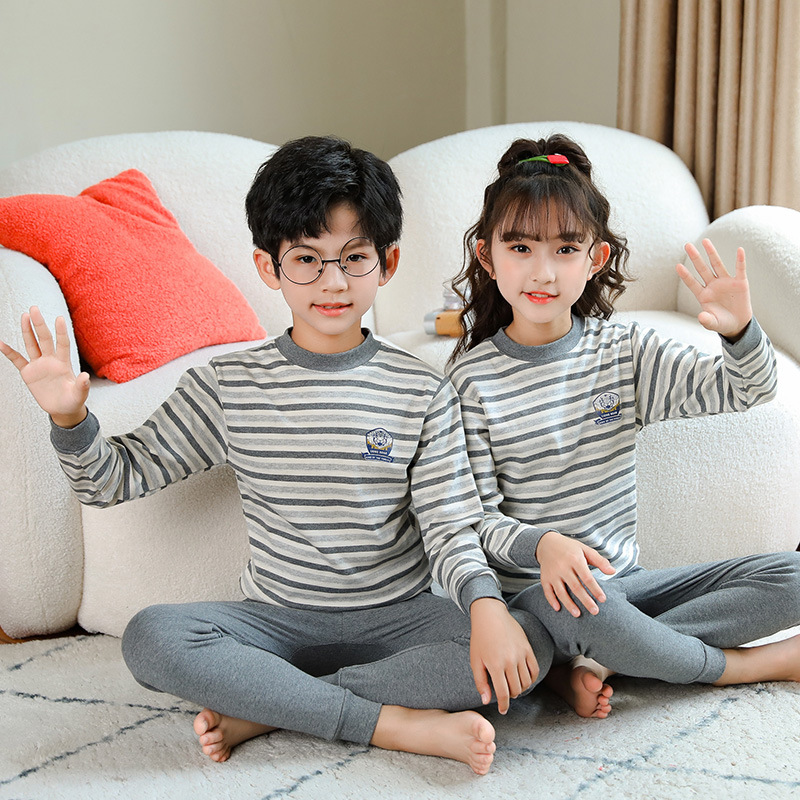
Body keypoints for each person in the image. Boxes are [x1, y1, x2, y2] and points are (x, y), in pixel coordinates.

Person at [0, 135, 555, 775]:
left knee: (530, 644)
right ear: (268, 267)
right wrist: (69, 419)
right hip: (273, 626)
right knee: (152, 637)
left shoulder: (423, 389)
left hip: (400, 620)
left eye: (355, 258)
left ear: (388, 262)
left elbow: (451, 524)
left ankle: (272, 707)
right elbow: (110, 481)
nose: (333, 282)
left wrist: (484, 606)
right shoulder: (228, 384)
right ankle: (389, 724)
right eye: (306, 260)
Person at [446, 134, 800, 719]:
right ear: (488, 257)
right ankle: (740, 667)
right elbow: (473, 520)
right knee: (587, 612)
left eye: (566, 248)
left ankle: (602, 660)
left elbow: (747, 390)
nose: (542, 271)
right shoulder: (470, 380)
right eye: (520, 247)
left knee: (792, 577)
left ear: (596, 259)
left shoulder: (625, 350)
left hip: (627, 588)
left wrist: (739, 331)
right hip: (537, 600)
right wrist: (545, 545)